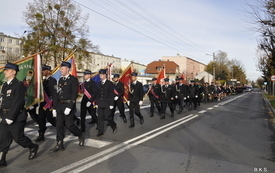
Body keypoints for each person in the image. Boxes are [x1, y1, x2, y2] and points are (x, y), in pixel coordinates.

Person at [0, 62, 39, 167]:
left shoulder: (18, 85)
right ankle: (2, 159)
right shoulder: (4, 85)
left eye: (7, 70)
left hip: (16, 116)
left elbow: (18, 102)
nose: (5, 72)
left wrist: (11, 117)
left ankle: (32, 146)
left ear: (13, 72)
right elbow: (2, 101)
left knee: (18, 138)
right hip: (4, 115)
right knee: (3, 138)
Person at [50, 61, 84, 152]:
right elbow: (57, 95)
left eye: (62, 68)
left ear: (68, 69)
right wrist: (54, 107)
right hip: (60, 105)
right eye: (60, 69)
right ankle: (59, 143)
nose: (61, 70)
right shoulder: (60, 80)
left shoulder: (73, 79)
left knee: (69, 125)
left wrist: (70, 106)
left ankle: (80, 134)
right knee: (59, 125)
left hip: (68, 104)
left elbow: (74, 94)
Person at [34, 65, 57, 142]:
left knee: (50, 119)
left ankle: (60, 126)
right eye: (42, 70)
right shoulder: (43, 81)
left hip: (49, 104)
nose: (42, 71)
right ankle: (41, 135)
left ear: (48, 71)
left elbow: (54, 93)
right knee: (41, 120)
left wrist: (54, 107)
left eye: (44, 70)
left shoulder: (52, 80)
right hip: (43, 103)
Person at [96, 69, 117, 137]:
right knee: (100, 118)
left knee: (108, 117)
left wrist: (111, 104)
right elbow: (98, 94)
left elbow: (111, 94)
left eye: (102, 75)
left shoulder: (109, 83)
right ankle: (100, 132)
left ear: (105, 75)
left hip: (107, 103)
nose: (101, 76)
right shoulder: (99, 83)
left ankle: (113, 125)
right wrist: (97, 103)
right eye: (100, 75)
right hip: (100, 103)